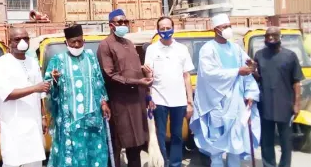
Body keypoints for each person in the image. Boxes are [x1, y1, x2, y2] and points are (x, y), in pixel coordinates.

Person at [189, 13, 261, 167]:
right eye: (225, 27)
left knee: (235, 141)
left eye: (229, 26)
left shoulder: (236, 48)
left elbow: (247, 70)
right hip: (216, 103)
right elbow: (209, 74)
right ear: (216, 29)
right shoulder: (207, 49)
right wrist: (236, 71)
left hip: (236, 102)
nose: (228, 29)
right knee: (216, 142)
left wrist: (250, 92)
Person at [44, 25, 111, 167]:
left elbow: (98, 81)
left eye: (79, 41)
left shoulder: (91, 57)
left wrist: (104, 103)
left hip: (93, 117)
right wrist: (54, 82)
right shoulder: (58, 60)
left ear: (84, 41)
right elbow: (48, 88)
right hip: (70, 120)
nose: (76, 45)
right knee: (72, 154)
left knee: (95, 151)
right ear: (66, 43)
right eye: (73, 42)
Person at [97, 9, 153, 167]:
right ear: (111, 25)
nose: (123, 25)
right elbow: (109, 75)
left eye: (125, 22)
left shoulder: (128, 43)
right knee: (117, 142)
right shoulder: (105, 45)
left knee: (136, 144)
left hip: (137, 100)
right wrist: (136, 82)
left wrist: (145, 74)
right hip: (119, 102)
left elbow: (133, 68)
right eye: (119, 22)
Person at [0, 27, 49, 167]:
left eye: (25, 38)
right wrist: (35, 88)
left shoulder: (32, 62)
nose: (22, 42)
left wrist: (43, 117)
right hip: (13, 125)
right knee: (13, 161)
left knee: (35, 161)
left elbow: (40, 94)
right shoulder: (2, 64)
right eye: (17, 39)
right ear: (9, 42)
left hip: (33, 124)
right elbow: (7, 94)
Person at [145, 16, 194, 167]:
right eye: (162, 28)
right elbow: (148, 76)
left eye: (168, 28)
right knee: (160, 135)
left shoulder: (182, 49)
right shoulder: (152, 49)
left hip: (179, 101)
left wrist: (190, 102)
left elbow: (186, 76)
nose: (165, 31)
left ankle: (176, 163)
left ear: (173, 28)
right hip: (158, 100)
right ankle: (162, 163)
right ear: (158, 30)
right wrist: (149, 97)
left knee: (177, 135)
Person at [253, 26, 304, 167]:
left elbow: (296, 82)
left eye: (274, 35)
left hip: (285, 104)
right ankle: (268, 164)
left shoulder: (290, 56)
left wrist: (297, 103)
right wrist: (253, 71)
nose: (270, 38)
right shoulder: (259, 55)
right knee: (267, 140)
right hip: (265, 104)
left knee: (285, 140)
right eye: (268, 35)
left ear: (280, 37)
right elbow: (258, 78)